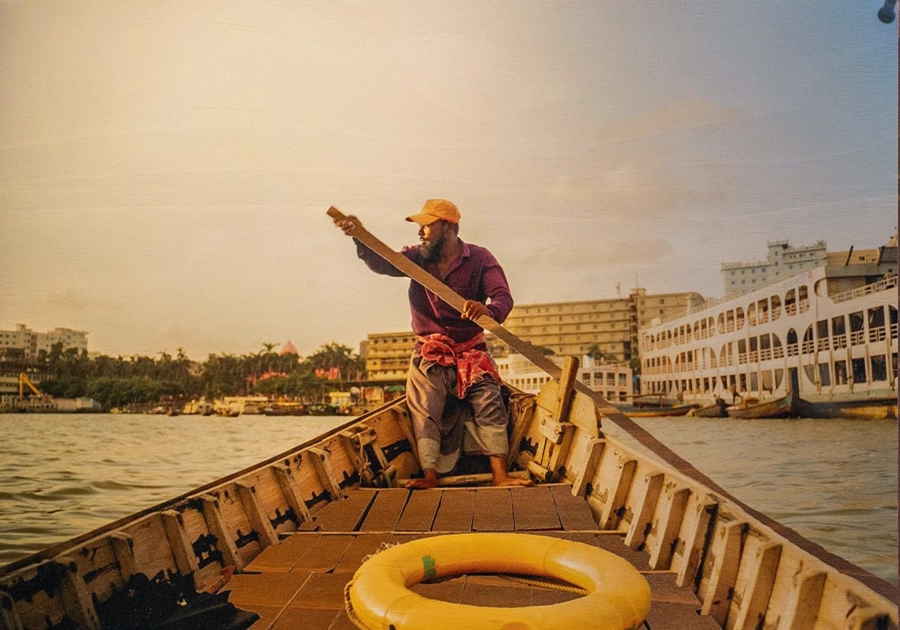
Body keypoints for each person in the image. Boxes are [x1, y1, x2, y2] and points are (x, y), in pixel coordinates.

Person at [336, 199, 531, 489]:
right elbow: (384, 261)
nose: (421, 232)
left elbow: (503, 297)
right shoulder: (417, 257)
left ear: (448, 228)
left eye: (427, 226)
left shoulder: (480, 258)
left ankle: (500, 475)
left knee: (489, 399)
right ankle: (430, 475)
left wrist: (487, 310)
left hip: (471, 351)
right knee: (426, 404)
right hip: (431, 352)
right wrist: (359, 235)